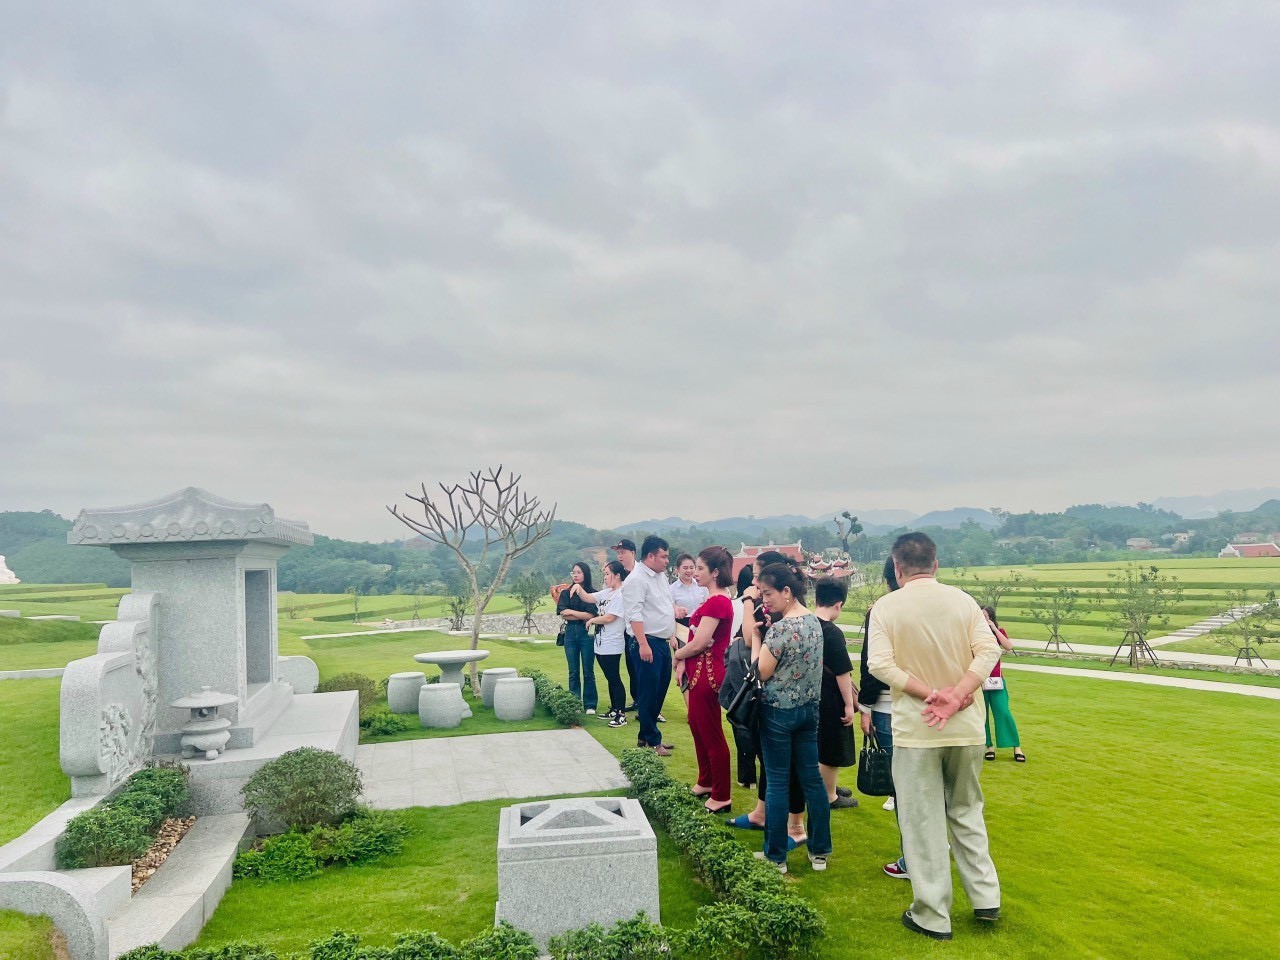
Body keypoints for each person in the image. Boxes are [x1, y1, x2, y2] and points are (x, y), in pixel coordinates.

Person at [867, 532, 1002, 941]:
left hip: (918, 728)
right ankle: (986, 898)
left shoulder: (887, 606)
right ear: (935, 564)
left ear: (897, 567)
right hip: (966, 728)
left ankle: (932, 914)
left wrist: (931, 694)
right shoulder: (963, 601)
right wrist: (958, 694)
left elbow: (879, 665)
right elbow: (990, 651)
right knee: (967, 809)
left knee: (922, 820)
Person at [753, 562, 833, 874]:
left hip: (778, 712)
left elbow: (761, 672)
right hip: (809, 710)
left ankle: (776, 857)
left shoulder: (780, 629)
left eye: (768, 593)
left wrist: (757, 639)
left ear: (786, 591)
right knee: (812, 780)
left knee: (777, 782)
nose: (764, 599)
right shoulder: (815, 622)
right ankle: (819, 852)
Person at [726, 552, 807, 841]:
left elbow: (750, 642)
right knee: (770, 759)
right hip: (777, 699)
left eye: (759, 578)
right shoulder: (780, 608)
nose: (756, 584)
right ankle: (763, 813)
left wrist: (748, 602)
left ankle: (794, 827)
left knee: (788, 766)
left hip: (782, 700)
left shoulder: (784, 614)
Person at [673, 546, 735, 813]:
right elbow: (699, 641)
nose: (695, 572)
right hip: (698, 672)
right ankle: (706, 781)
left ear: (715, 572)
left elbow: (699, 643)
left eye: (700, 568)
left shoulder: (717, 601)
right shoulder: (711, 599)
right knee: (697, 726)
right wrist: (684, 658)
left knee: (711, 733)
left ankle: (722, 795)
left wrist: (678, 655)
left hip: (708, 675)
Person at [860, 556, 908, 878]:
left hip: (890, 706)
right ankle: (932, 845)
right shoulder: (946, 605)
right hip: (933, 706)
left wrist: (865, 707)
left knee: (903, 787)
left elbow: (872, 664)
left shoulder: (882, 609)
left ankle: (912, 858)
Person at [623, 535, 677, 756]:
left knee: (660, 689)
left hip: (662, 641)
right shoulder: (636, 579)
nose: (667, 561)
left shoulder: (660, 577)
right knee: (648, 691)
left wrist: (672, 631)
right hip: (646, 641)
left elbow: (664, 605)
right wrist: (643, 644)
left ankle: (645, 735)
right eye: (664, 557)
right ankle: (653, 740)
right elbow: (634, 614)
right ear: (651, 556)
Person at [813, 578, 859, 810]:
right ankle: (829, 795)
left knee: (816, 743)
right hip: (830, 697)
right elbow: (842, 673)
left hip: (809, 694)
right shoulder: (832, 632)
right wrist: (849, 705)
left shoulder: (805, 625)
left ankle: (826, 786)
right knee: (831, 747)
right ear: (838, 605)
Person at [585, 561, 629, 726]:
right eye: (604, 574)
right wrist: (576, 587)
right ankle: (614, 709)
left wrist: (592, 620)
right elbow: (589, 597)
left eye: (607, 574)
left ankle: (621, 714)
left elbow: (610, 617)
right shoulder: (608, 592)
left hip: (613, 642)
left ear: (617, 575)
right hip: (601, 643)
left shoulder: (621, 594)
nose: (605, 577)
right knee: (610, 677)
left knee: (614, 677)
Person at [980, 606, 1025, 763]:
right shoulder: (973, 632)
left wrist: (994, 628)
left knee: (1003, 711)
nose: (982, 619)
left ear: (991, 618)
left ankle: (1016, 746)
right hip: (978, 680)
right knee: (982, 715)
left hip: (996, 680)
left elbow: (1008, 646)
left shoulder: (998, 632)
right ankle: (989, 746)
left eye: (985, 616)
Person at [556, 562, 599, 713]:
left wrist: (572, 612)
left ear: (585, 574)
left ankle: (590, 704)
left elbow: (591, 615)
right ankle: (574, 704)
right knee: (573, 671)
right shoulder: (565, 593)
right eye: (573, 572)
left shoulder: (592, 593)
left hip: (586, 633)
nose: (575, 575)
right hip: (570, 633)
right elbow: (563, 613)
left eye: (578, 572)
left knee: (588, 670)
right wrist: (581, 615)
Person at [612, 538, 640, 709]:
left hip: (641, 627)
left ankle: (649, 704)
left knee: (643, 668)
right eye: (618, 553)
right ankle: (637, 699)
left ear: (633, 553)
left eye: (623, 552)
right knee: (631, 666)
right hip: (626, 628)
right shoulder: (619, 574)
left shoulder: (641, 573)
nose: (620, 556)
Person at [670, 552, 710, 623]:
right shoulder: (672, 589)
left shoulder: (701, 585)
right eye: (685, 568)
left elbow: (708, 603)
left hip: (701, 621)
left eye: (691, 568)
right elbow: (670, 608)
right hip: (681, 624)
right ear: (678, 569)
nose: (689, 571)